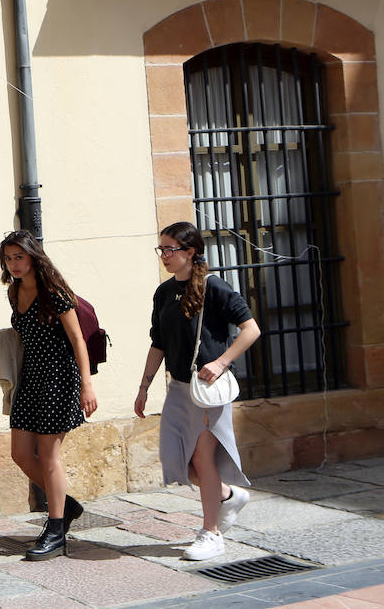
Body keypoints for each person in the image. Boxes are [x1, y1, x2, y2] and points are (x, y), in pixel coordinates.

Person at [135, 221, 262, 561]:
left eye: (170, 249)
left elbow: (251, 330)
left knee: (202, 460)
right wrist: (144, 387)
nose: (164, 255)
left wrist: (221, 362)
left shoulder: (213, 287)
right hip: (178, 389)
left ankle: (211, 533)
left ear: (190, 252)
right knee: (178, 462)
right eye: (161, 249)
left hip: (206, 389)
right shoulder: (163, 293)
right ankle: (227, 496)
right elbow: (158, 343)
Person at [0, 230, 97, 560]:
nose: (13, 264)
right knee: (20, 453)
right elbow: (24, 333)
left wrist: (86, 384)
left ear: (33, 257)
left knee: (49, 454)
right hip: (30, 378)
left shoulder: (53, 293)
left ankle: (56, 532)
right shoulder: (14, 293)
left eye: (19, 257)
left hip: (59, 377)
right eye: (8, 258)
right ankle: (66, 505)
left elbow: (77, 340)